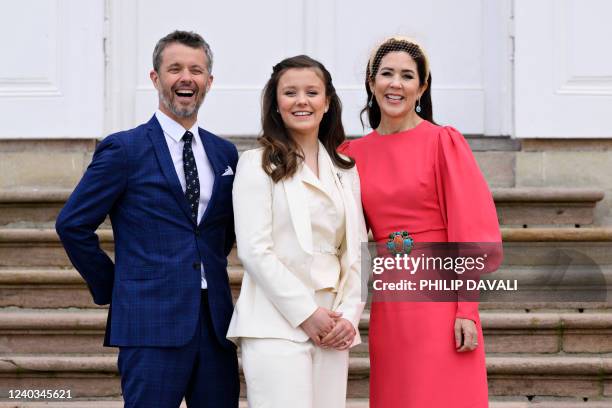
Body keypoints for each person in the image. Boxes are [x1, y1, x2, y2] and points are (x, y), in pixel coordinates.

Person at [55, 30, 239, 407]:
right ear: (155, 78)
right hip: (150, 323)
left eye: (196, 70)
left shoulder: (225, 154)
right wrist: (114, 286)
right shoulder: (125, 149)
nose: (186, 77)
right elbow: (72, 225)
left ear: (209, 82)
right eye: (174, 69)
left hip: (216, 324)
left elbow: (223, 232)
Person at [340, 37, 503, 407]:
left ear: (422, 87)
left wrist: (467, 309)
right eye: (386, 74)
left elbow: (471, 228)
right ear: (371, 82)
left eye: (407, 76)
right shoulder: (351, 155)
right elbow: (342, 233)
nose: (395, 84)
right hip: (391, 303)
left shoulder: (443, 142)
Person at [227, 55, 367, 408]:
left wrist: (349, 317)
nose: (301, 101)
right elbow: (254, 251)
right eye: (290, 92)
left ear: (327, 102)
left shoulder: (346, 170)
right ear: (276, 104)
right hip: (275, 323)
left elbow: (358, 251)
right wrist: (307, 314)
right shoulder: (256, 164)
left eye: (311, 92)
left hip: (334, 325)